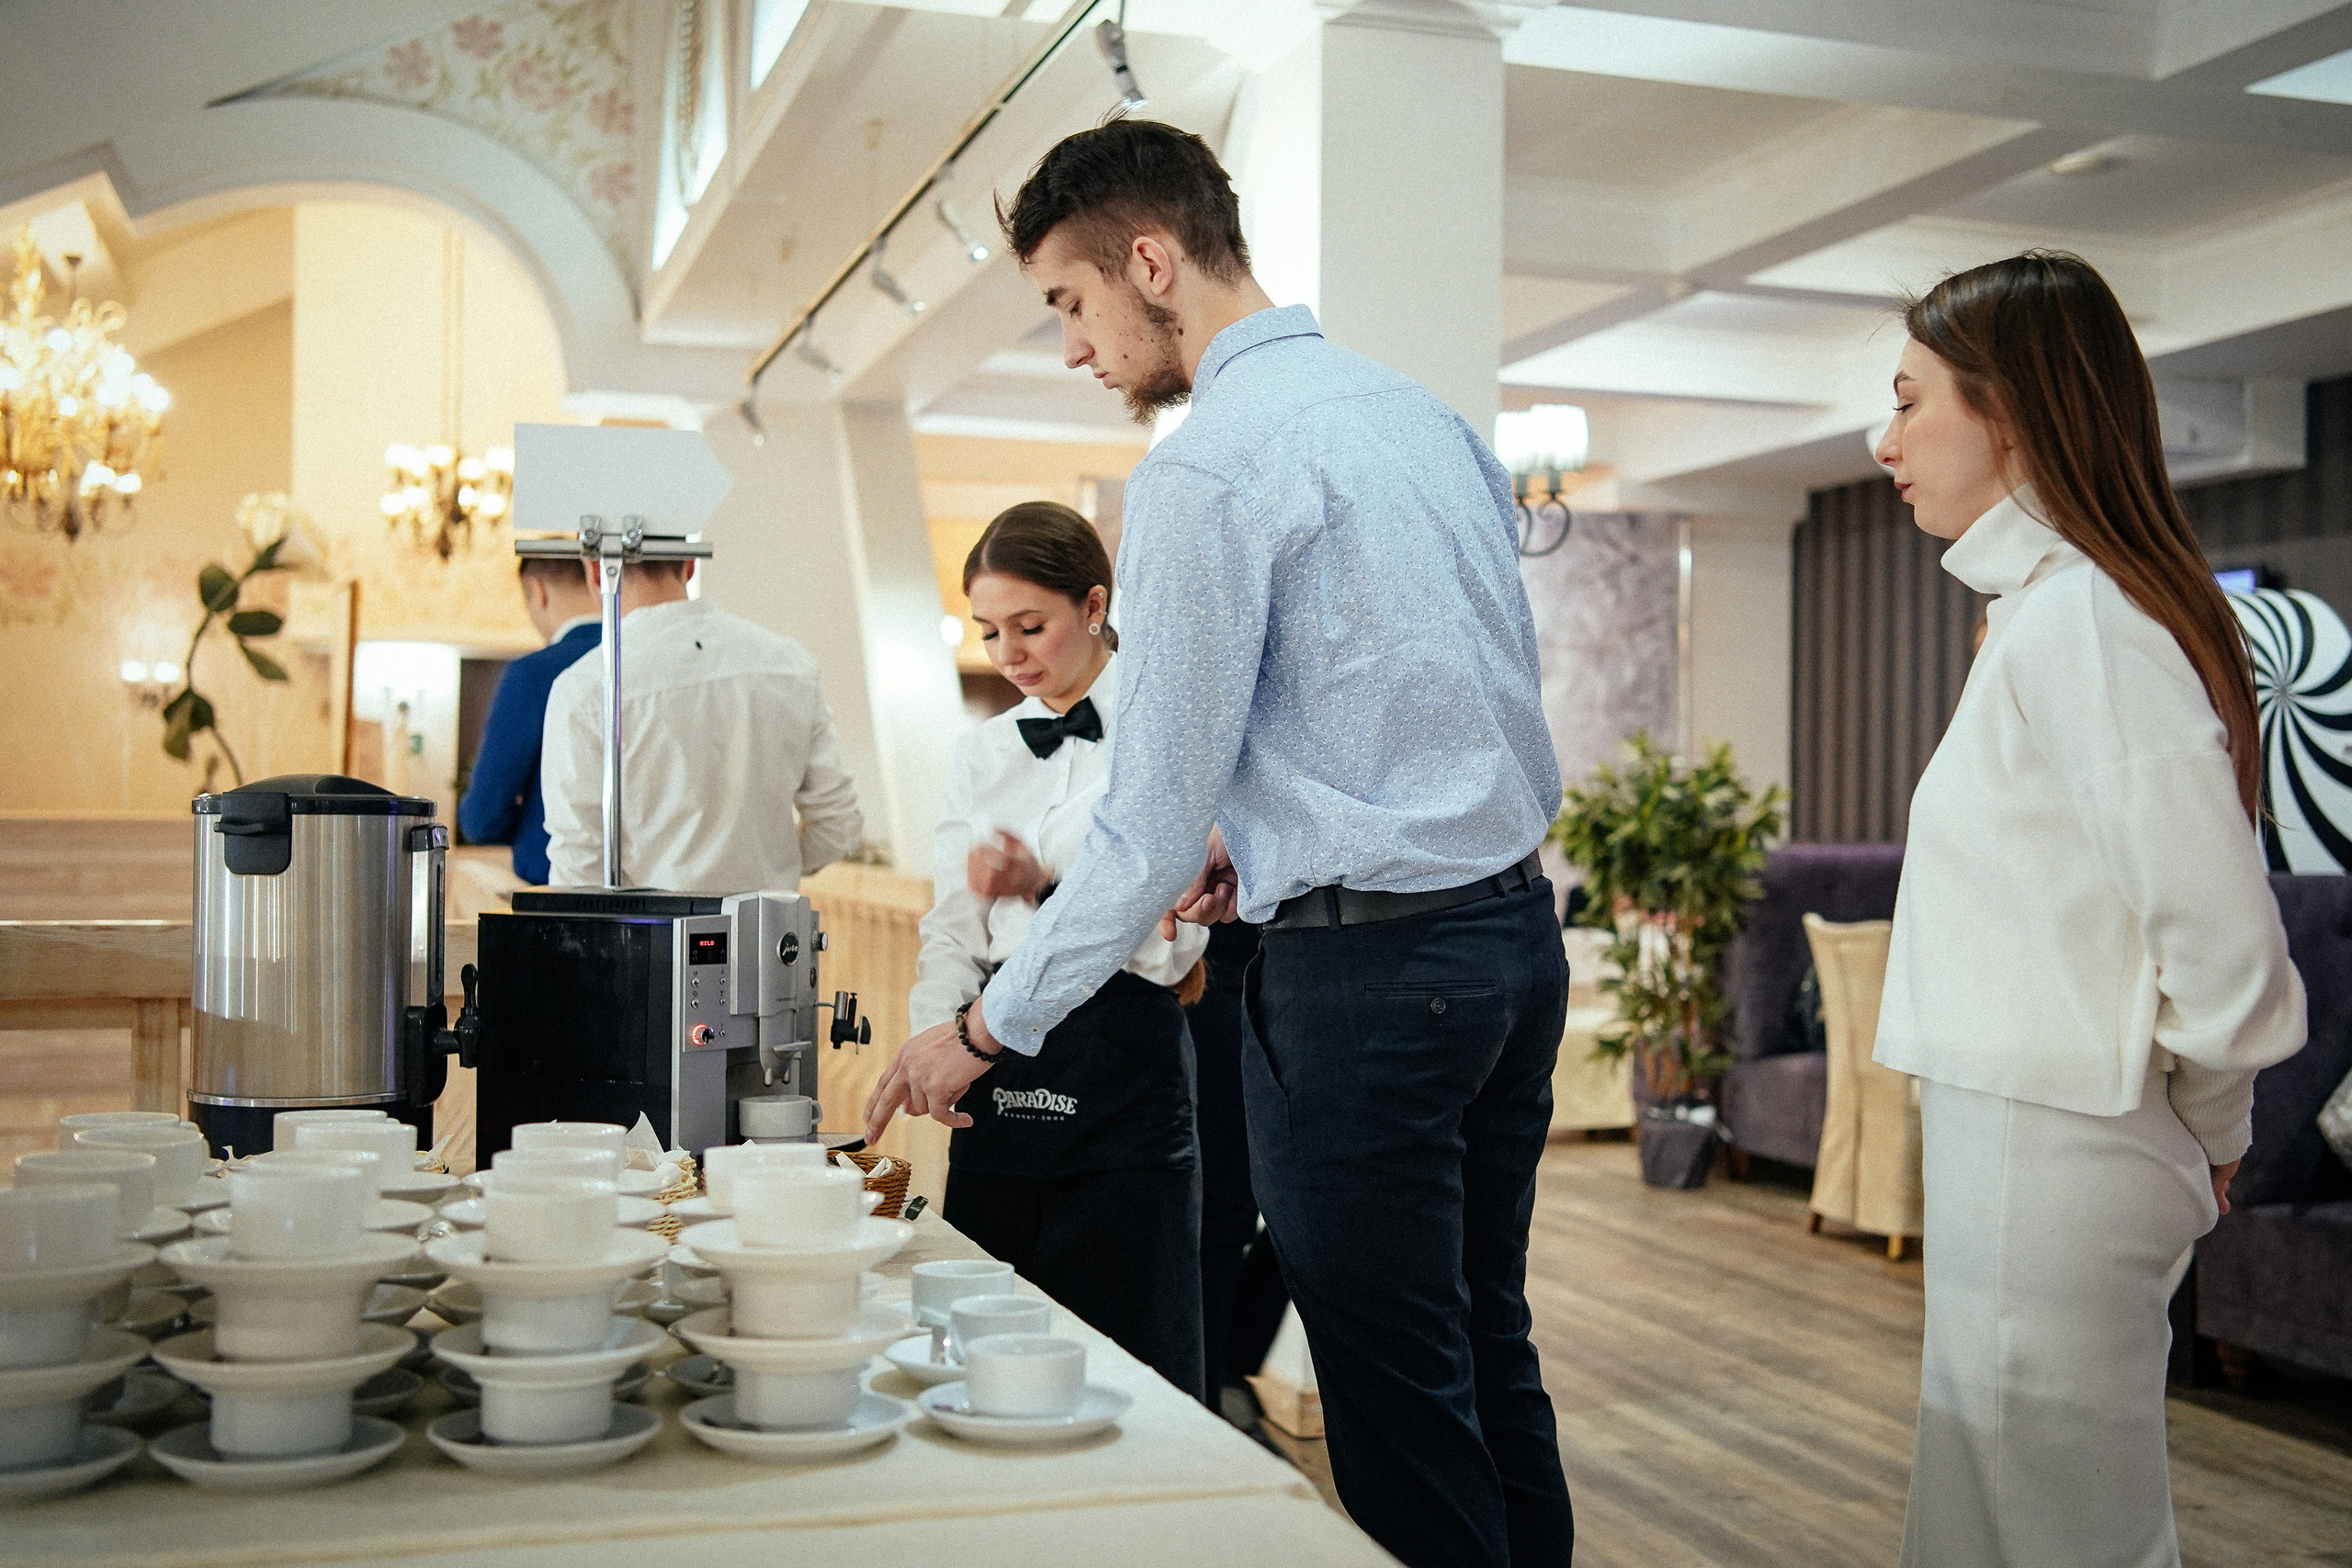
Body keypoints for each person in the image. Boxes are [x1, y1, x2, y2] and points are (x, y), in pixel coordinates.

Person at [865, 120, 1574, 1568]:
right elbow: (1450, 698)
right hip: (1511, 944)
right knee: (1483, 1337)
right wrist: (1264, 833)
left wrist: (984, 1028)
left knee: (1395, 1380)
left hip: (1370, 990)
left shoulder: (1208, 468)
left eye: (1070, 303)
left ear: (1148, 260)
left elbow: (1127, 835)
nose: (1075, 347)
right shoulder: (1422, 416)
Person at [1871, 252, 2306, 1568]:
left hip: (2061, 1142)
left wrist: (2216, 1121)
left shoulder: (2083, 625)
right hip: (2032, 1130)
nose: (1885, 439)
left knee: (2063, 1520)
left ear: (2008, 415)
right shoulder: (2049, 613)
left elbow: (2224, 940)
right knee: (1990, 1498)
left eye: (1908, 401)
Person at [909, 501, 1209, 1400]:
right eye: (989, 631)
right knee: (988, 1329)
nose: (1007, 654)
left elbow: (1169, 952)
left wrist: (1045, 885)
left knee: (1131, 1345)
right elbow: (951, 926)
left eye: (1029, 626)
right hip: (991, 1057)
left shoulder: (1167, 738)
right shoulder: (981, 753)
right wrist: (935, 1046)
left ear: (1093, 603)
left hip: (1123, 1051)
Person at [539, 556, 862, 893]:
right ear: (689, 565)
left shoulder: (589, 687)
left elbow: (578, 871)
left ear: (595, 570)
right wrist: (767, 864)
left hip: (650, 940)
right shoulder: (790, 663)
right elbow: (838, 827)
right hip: (770, 937)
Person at [457, 558, 601, 885]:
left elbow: (482, 817)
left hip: (556, 891)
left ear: (538, 591)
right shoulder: (641, 662)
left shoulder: (533, 674)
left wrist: (531, 822)